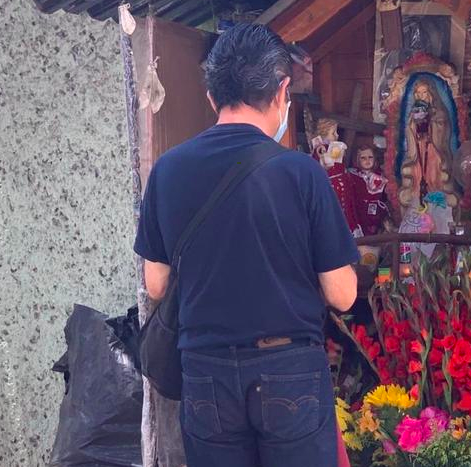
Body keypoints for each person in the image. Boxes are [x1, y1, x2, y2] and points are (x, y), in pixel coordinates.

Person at [134, 23, 358, 466]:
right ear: (282, 92)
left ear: (211, 97)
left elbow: (156, 284)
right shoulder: (302, 174)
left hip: (206, 373)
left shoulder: (168, 170)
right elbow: (342, 294)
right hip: (289, 370)